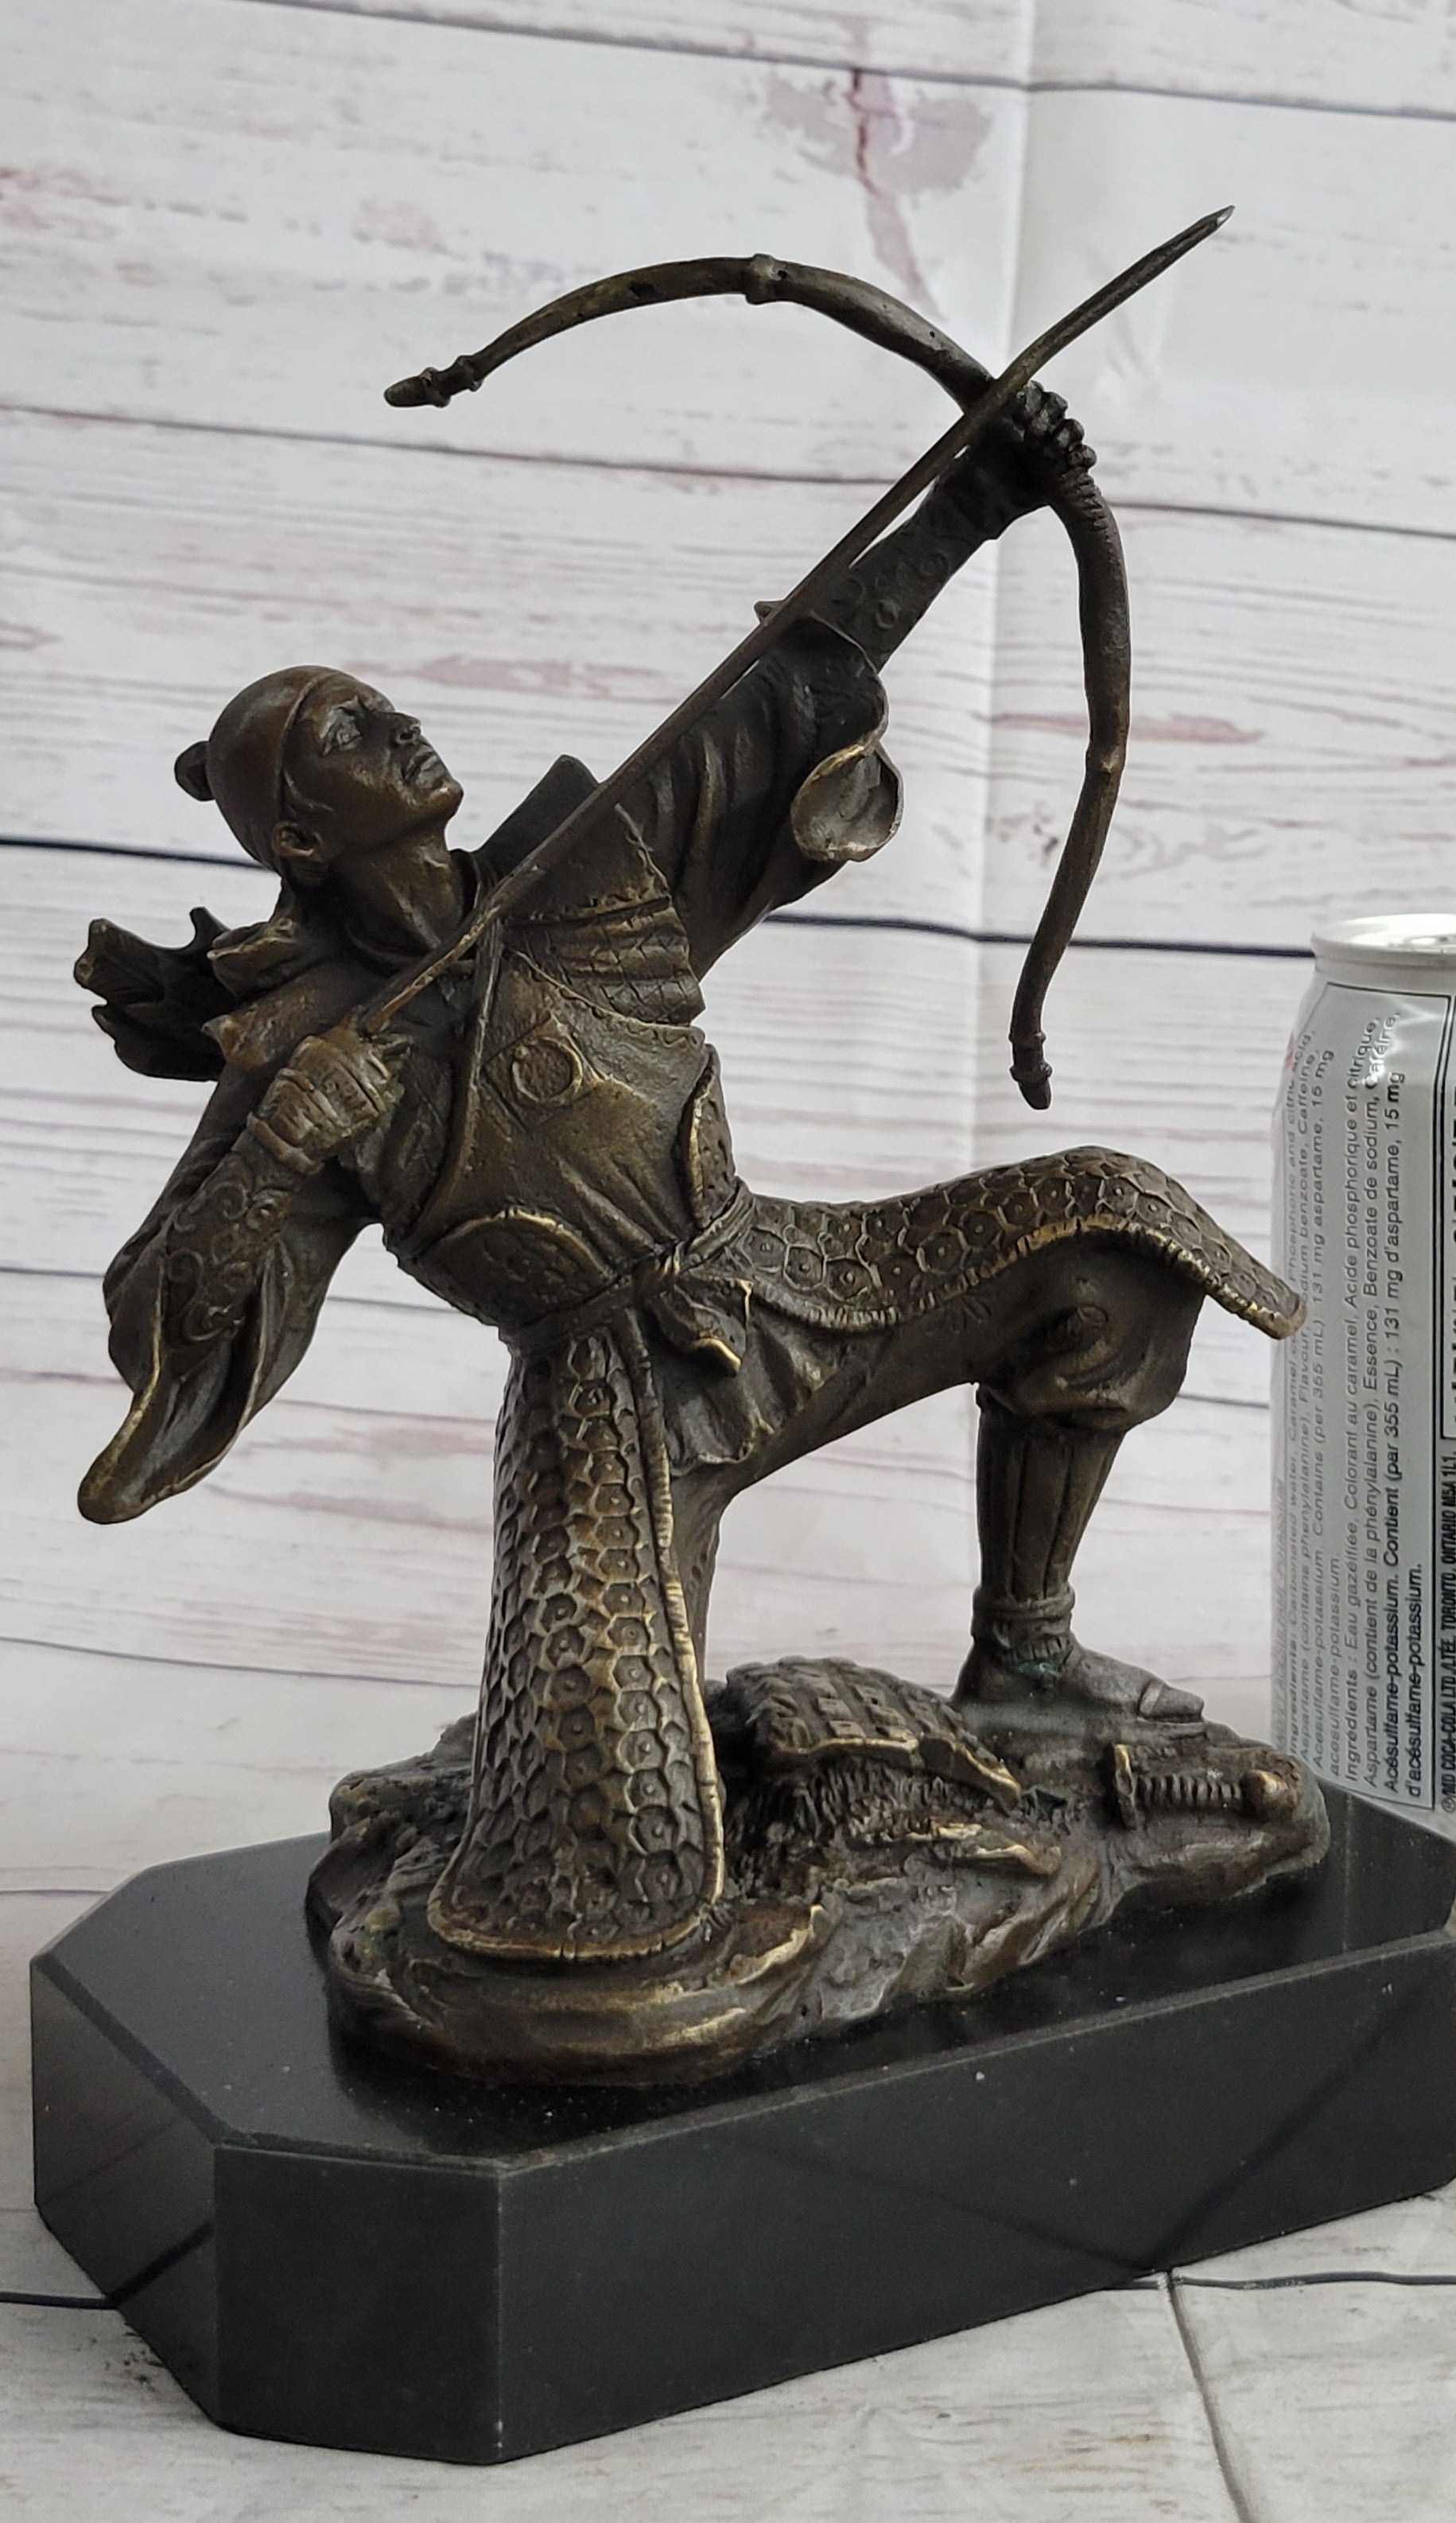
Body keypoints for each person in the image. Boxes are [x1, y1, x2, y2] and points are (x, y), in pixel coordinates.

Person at [76, 388, 1302, 1968]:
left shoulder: (575, 879)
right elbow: (159, 1319)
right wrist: (281, 1147)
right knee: (607, 1872)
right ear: (301, 833)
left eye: (380, 703)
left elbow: (781, 694)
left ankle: (1029, 1656)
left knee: (1102, 1238)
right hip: (602, 1405)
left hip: (777, 1276)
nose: (399, 725)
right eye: (351, 737)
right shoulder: (302, 1051)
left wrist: (982, 492)